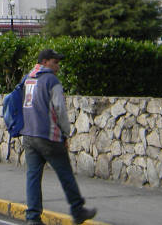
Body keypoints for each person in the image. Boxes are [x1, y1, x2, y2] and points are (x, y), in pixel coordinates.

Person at [21, 48, 96, 225]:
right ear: (45, 62)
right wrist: (65, 133)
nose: (58, 66)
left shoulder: (27, 79)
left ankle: (33, 217)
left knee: (33, 176)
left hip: (29, 134)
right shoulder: (51, 80)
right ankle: (77, 209)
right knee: (65, 172)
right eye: (55, 62)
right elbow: (60, 109)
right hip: (47, 135)